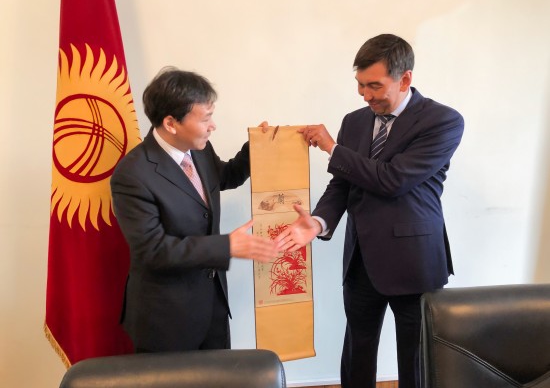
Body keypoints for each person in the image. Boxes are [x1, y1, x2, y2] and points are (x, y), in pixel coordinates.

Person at [275, 34, 464, 388]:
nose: (365, 95)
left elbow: (393, 179)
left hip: (415, 261)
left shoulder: (443, 121)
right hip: (361, 259)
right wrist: (318, 222)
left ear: (404, 79)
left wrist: (332, 148)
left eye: (374, 86)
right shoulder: (355, 121)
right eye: (360, 85)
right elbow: (342, 185)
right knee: (357, 354)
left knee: (416, 360)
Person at [110, 67, 277, 353]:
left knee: (219, 376)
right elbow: (152, 250)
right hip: (166, 317)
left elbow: (224, 177)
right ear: (171, 123)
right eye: (206, 118)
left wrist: (255, 148)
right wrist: (226, 246)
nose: (213, 126)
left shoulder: (199, 148)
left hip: (213, 306)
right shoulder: (132, 174)